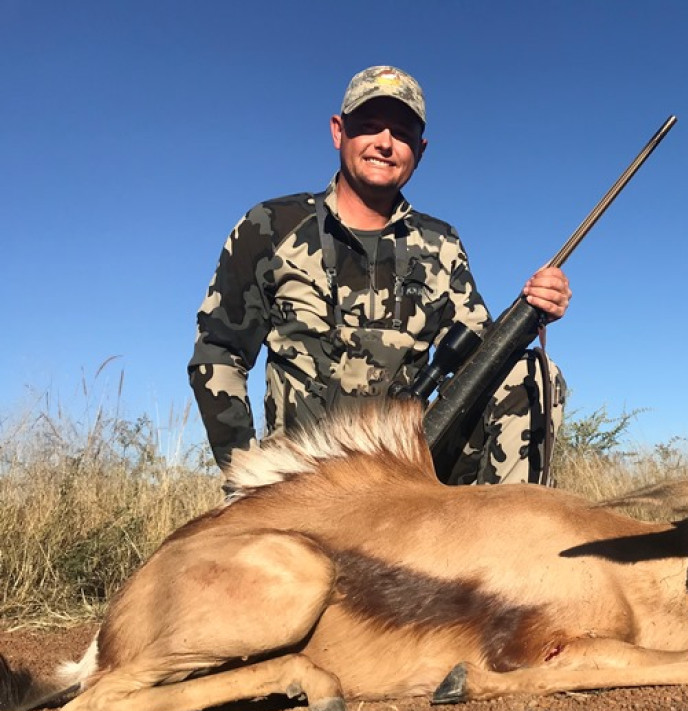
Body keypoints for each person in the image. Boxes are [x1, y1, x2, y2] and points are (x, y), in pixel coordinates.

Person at [188, 66, 570, 485]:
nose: (385, 143)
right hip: (303, 476)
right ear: (339, 132)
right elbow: (218, 353)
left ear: (420, 150)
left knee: (531, 373)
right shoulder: (271, 225)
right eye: (369, 127)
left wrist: (531, 311)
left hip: (410, 461)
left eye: (402, 133)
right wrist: (246, 482)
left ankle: (505, 542)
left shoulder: (440, 243)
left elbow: (477, 355)